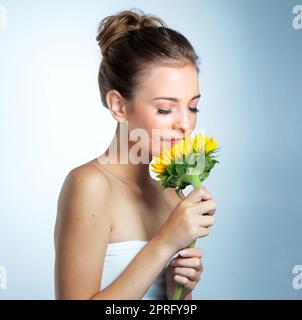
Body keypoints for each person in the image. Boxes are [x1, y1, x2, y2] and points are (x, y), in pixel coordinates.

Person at [54, 8, 216, 300]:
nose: (185, 123)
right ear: (118, 106)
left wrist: (180, 290)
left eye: (193, 107)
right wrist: (165, 242)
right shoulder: (90, 185)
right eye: (165, 108)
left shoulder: (171, 197)